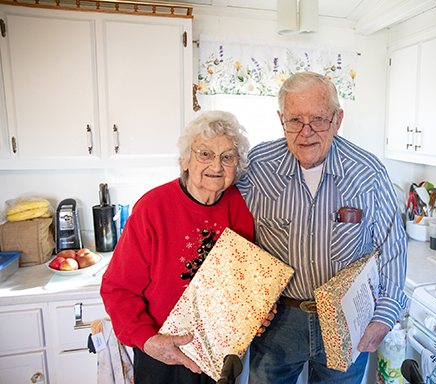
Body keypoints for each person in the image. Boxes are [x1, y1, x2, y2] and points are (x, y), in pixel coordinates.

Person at [237, 71, 408, 384]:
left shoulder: (367, 172)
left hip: (347, 321)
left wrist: (384, 316)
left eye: (318, 119)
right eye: (295, 120)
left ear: (338, 119)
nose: (306, 132)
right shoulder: (257, 166)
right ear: (280, 119)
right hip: (277, 322)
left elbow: (393, 248)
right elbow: (230, 231)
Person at [100, 110, 258, 384]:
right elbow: (117, 289)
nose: (217, 166)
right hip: (162, 352)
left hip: (218, 352)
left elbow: (243, 281)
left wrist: (256, 309)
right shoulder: (152, 208)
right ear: (184, 160)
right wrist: (147, 340)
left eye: (227, 157)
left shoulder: (240, 207)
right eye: (205, 154)